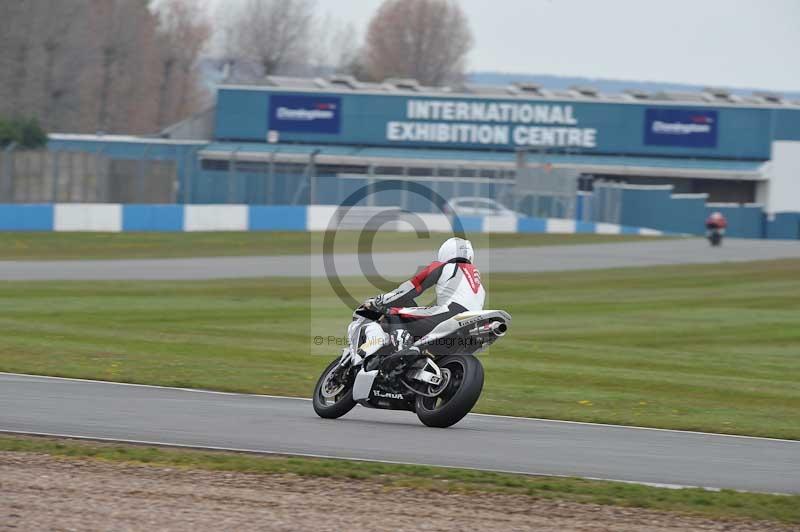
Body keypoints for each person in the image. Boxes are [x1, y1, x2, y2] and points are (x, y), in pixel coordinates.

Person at [361, 237, 485, 375]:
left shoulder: (444, 266)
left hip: (450, 314)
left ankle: (403, 353)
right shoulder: (478, 281)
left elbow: (410, 289)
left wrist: (379, 301)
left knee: (393, 315)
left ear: (446, 252)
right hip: (472, 326)